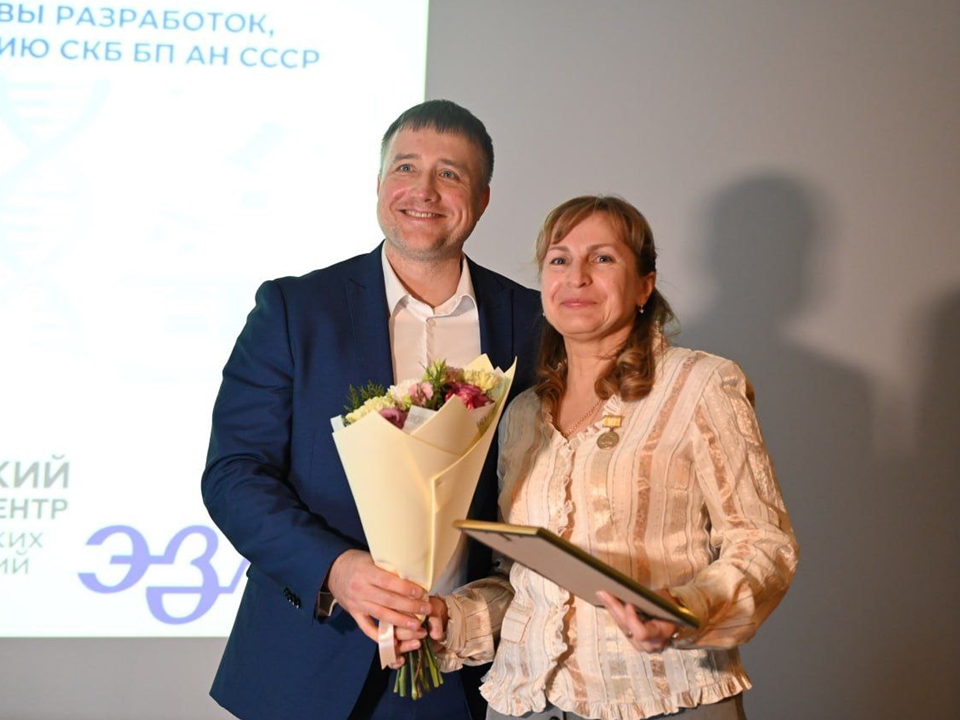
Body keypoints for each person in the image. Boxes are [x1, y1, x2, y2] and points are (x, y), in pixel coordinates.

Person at [201, 99, 542, 720]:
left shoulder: (534, 322)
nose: (424, 190)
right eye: (405, 168)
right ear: (380, 183)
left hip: (459, 667)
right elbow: (234, 475)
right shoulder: (295, 310)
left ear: (483, 199)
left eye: (450, 174)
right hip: (308, 657)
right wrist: (335, 569)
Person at [399, 195, 799, 719]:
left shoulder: (701, 384)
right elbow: (521, 581)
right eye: (559, 259)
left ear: (644, 286)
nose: (577, 277)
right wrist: (449, 617)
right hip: (527, 704)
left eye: (603, 258)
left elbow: (764, 545)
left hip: (666, 698)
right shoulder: (520, 414)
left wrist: (686, 609)